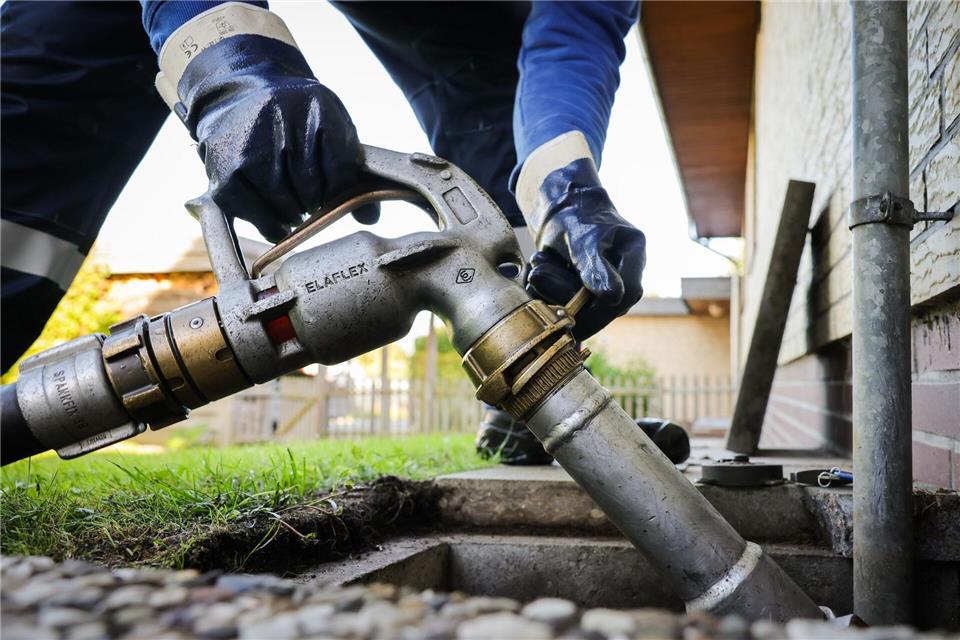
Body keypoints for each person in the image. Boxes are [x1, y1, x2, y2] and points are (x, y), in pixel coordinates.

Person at [3, 2, 685, 465]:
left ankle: (535, 412)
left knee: (510, 199)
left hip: (463, 27)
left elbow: (572, 44)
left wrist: (567, 189)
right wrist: (234, 77)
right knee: (58, 84)